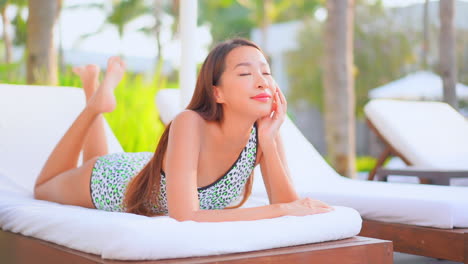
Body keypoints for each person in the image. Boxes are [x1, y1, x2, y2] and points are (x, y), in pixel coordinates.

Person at [33, 38, 334, 222]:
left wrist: (268, 142)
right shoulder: (190, 122)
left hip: (145, 169)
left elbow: (288, 204)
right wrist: (278, 212)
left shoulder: (265, 130)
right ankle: (94, 106)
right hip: (112, 181)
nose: (262, 80)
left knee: (92, 158)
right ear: (217, 93)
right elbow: (185, 216)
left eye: (266, 71)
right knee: (44, 187)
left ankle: (93, 90)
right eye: (245, 72)